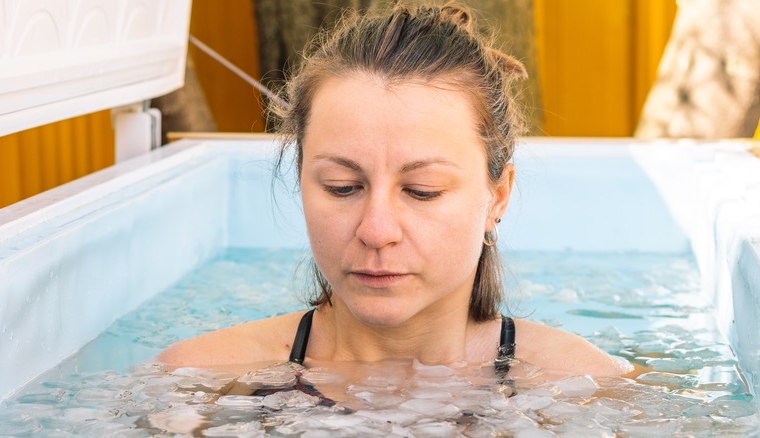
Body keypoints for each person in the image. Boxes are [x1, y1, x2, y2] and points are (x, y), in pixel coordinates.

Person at [159, 2, 631, 381]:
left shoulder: (583, 388)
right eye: (342, 187)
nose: (376, 230)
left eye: (422, 191)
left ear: (498, 196)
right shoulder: (199, 381)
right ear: (301, 181)